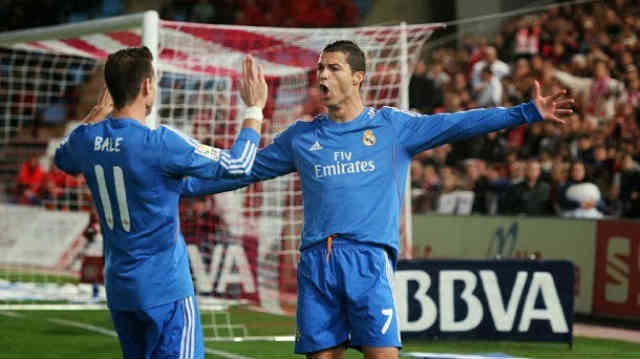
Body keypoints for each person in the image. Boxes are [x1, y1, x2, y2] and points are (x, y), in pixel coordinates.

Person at [182, 40, 573, 359]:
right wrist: (179, 188)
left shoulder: (392, 128)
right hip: (318, 260)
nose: (322, 75)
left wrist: (525, 112)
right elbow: (242, 170)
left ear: (357, 77)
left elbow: (458, 122)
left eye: (333, 68)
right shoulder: (300, 138)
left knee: (383, 356)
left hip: (369, 258)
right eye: (320, 68)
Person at [53, 46, 268, 359]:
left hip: (121, 291)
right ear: (147, 86)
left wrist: (97, 114)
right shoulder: (160, 143)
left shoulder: (85, 140)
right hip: (165, 290)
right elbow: (238, 164)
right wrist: (254, 109)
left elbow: (63, 159)